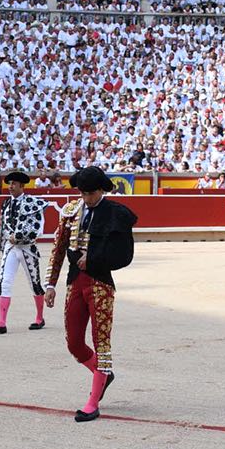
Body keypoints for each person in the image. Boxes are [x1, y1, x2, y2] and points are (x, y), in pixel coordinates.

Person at [44, 166, 137, 422]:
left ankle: (93, 402)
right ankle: (103, 373)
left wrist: (94, 258)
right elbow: (59, 248)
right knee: (74, 343)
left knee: (101, 341)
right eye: (82, 193)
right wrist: (50, 284)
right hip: (75, 281)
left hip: (100, 284)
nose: (86, 198)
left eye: (91, 193)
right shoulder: (71, 211)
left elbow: (124, 255)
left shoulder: (116, 213)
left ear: (101, 190)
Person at [0, 170, 49, 334]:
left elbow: (37, 228)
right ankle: (1, 322)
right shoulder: (6, 204)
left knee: (34, 283)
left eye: (14, 184)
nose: (10, 186)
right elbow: (3, 227)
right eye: (10, 183)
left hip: (27, 248)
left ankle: (39, 318)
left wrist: (19, 236)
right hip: (10, 247)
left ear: (22, 186)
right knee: (5, 282)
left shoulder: (33, 203)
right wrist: (7, 241)